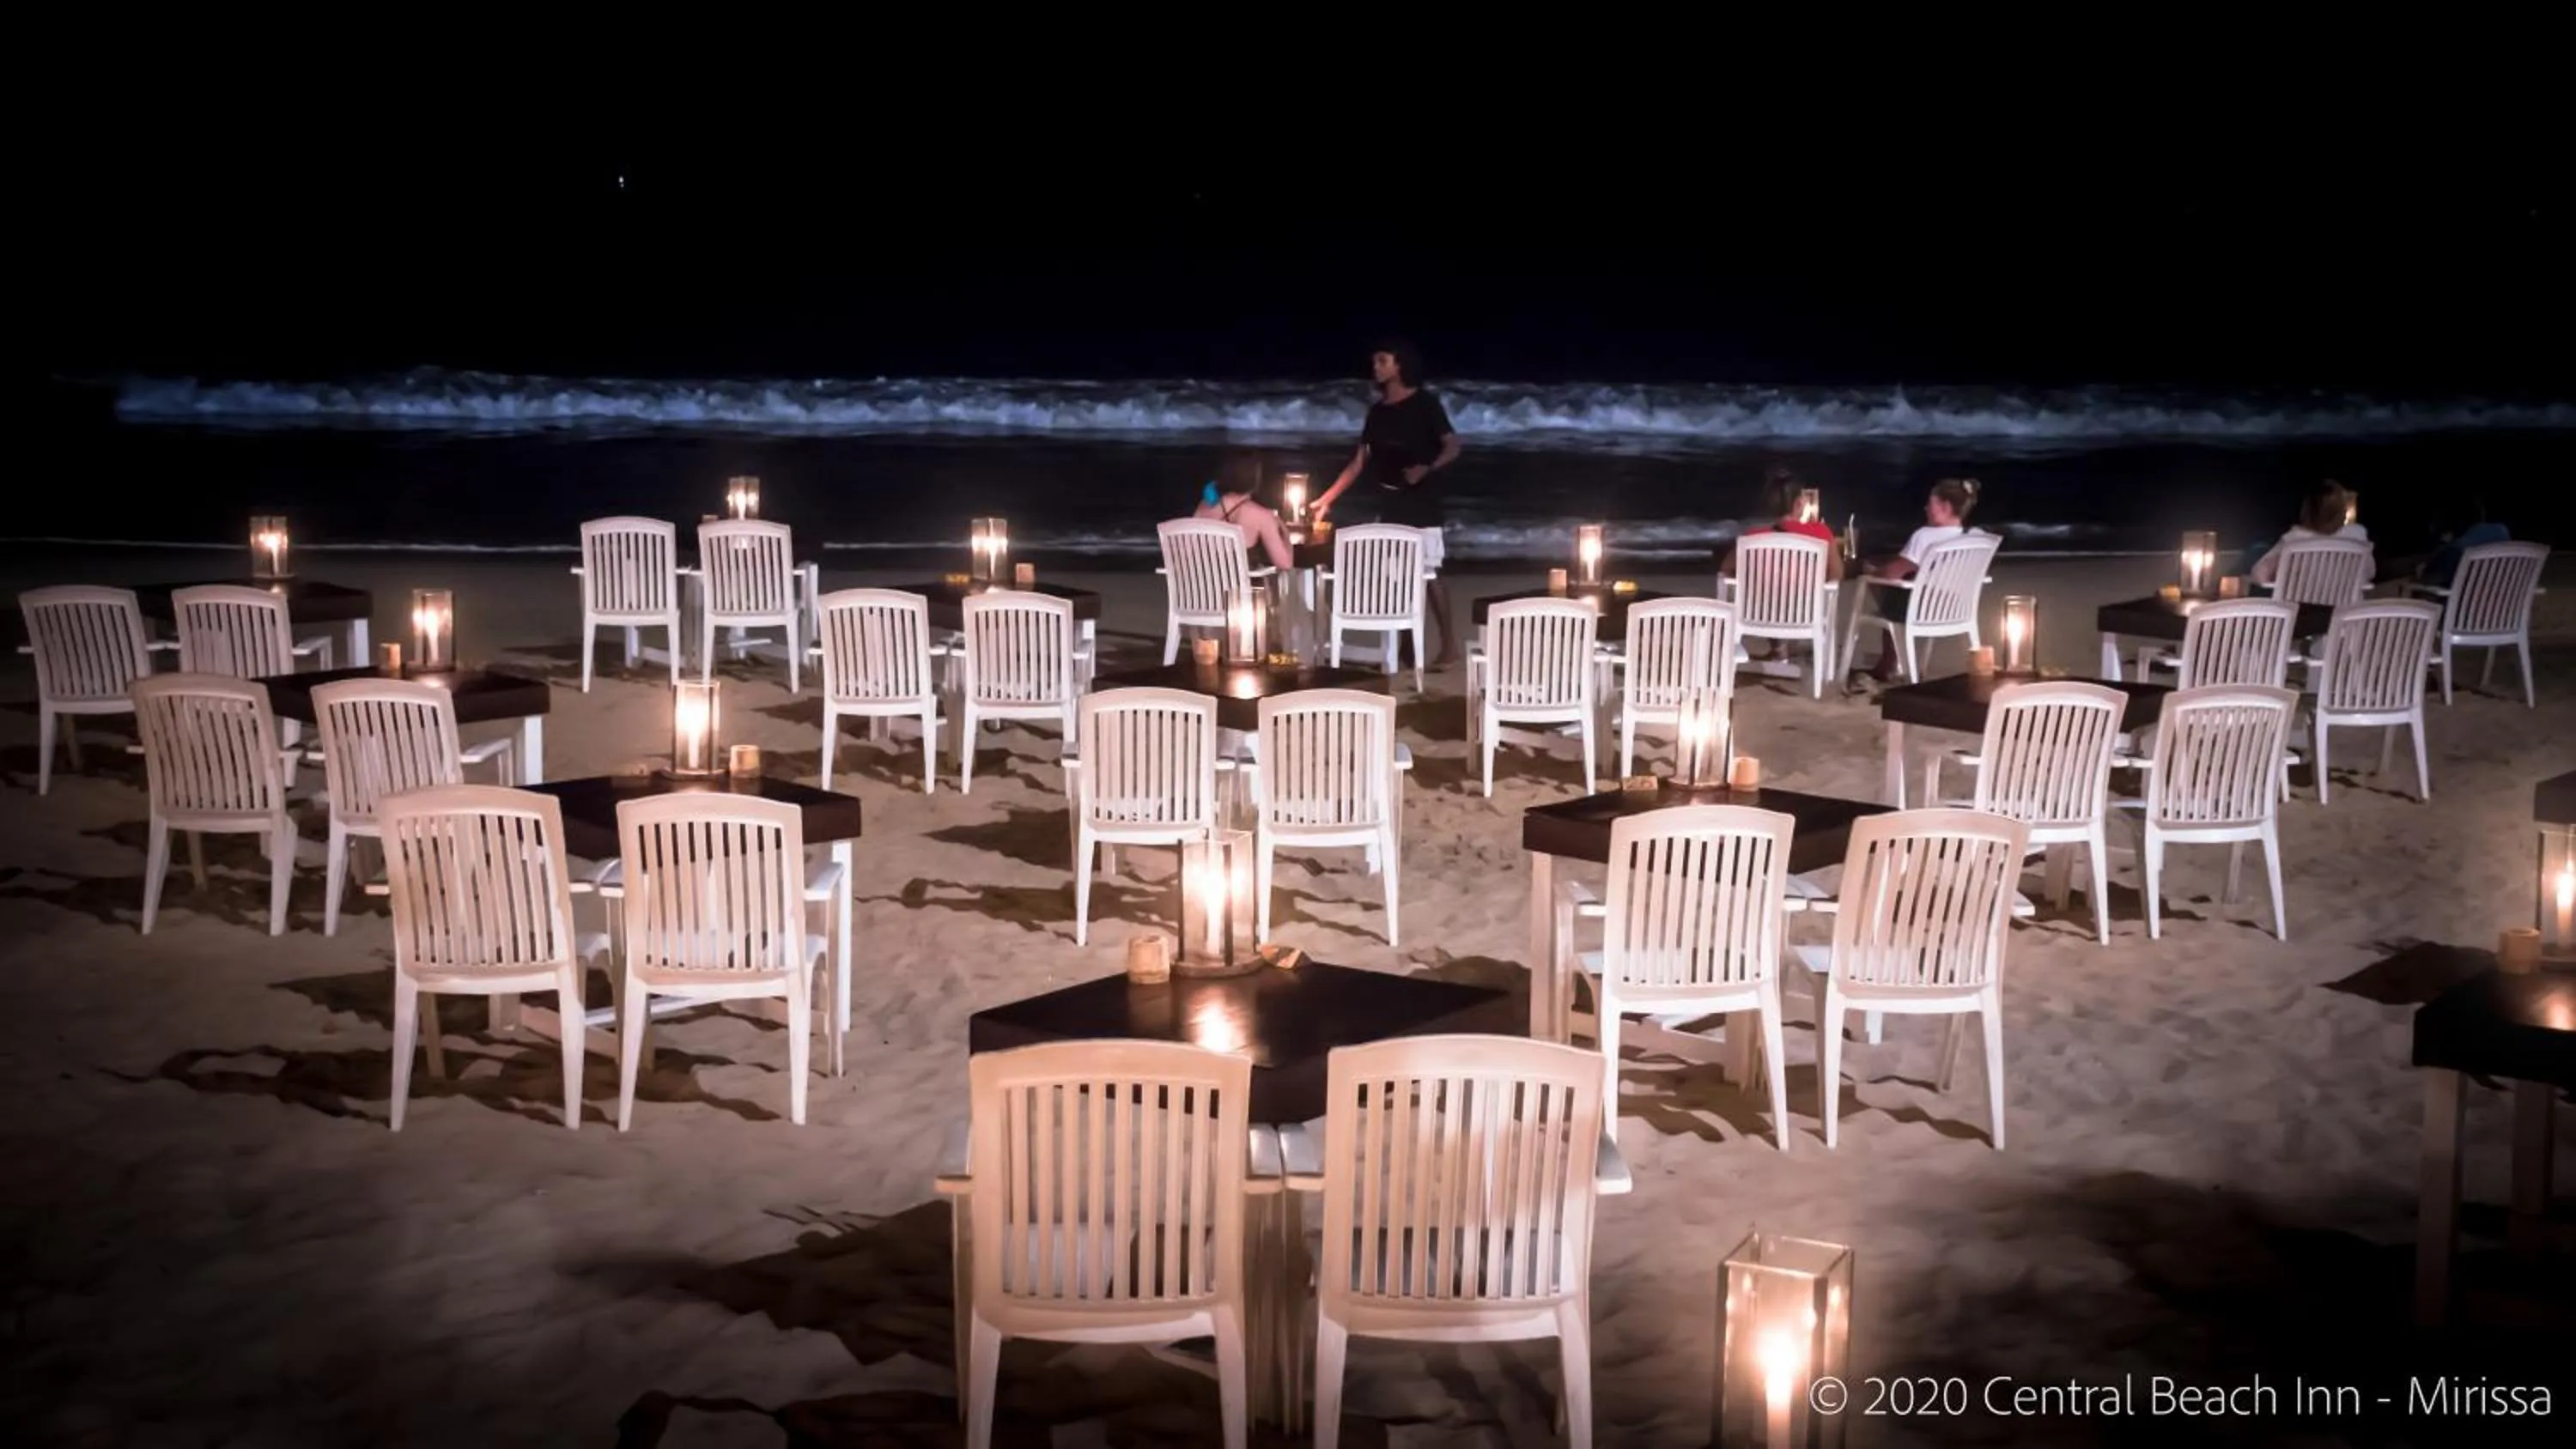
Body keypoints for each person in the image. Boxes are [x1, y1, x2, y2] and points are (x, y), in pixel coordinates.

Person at [1311, 339, 1463, 667]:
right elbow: (1358, 463)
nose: (1376, 367)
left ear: (1400, 365)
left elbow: (1452, 446)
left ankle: (1450, 645)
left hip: (1422, 501)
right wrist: (1325, 500)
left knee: (1430, 572)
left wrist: (1427, 468)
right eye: (1375, 362)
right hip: (1391, 500)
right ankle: (1405, 648)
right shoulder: (1377, 412)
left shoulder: (1426, 404)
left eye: (1382, 361)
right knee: (1396, 578)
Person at [1847, 477, 1983, 688]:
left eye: (1931, 503)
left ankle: (1888, 663)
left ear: (1945, 507)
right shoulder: (1972, 538)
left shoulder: (1925, 536)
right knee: (1898, 587)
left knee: (1878, 581)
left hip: (1919, 611)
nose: (1926, 508)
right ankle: (1890, 662)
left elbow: (1892, 573)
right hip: (1954, 608)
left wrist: (1870, 572)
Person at [2248, 479, 2371, 587]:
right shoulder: (2357, 535)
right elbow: (2369, 572)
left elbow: (2259, 575)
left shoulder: (2294, 538)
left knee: (2257, 549)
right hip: (2345, 611)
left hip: (2300, 611)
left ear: (2307, 510)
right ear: (2342, 511)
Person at [1192, 454, 1295, 573]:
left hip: (1197, 587)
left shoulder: (1204, 505)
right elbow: (1285, 564)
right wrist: (1286, 534)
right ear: (1255, 480)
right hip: (1238, 590)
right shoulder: (1261, 515)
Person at [2417, 497, 2508, 589]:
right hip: (2502, 597)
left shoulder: (2456, 550)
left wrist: (2424, 570)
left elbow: (2429, 578)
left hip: (2466, 599)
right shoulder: (2501, 533)